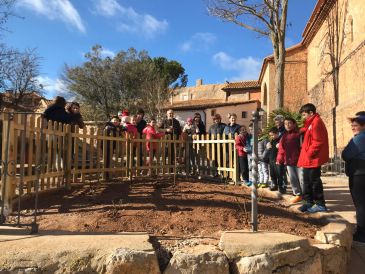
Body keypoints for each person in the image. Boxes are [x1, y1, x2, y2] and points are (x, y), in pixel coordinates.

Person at [297, 103, 329, 213]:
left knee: (314, 181)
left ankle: (320, 204)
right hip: (308, 159)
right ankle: (308, 202)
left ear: (311, 113)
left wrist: (310, 154)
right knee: (306, 182)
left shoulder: (317, 122)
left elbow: (318, 141)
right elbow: (307, 129)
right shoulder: (311, 122)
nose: (303, 117)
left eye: (304, 114)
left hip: (313, 159)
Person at [342, 112, 365, 243]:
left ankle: (362, 235)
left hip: (359, 174)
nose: (352, 127)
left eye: (355, 125)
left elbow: (346, 154)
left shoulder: (359, 138)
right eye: (352, 125)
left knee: (361, 205)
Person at [277, 117, 303, 203]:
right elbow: (281, 149)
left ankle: (306, 196)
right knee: (293, 179)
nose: (287, 125)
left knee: (302, 179)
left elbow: (303, 147)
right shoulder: (284, 136)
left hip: (300, 161)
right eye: (285, 124)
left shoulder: (299, 134)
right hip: (288, 161)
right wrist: (280, 159)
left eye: (289, 123)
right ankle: (297, 194)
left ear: (294, 124)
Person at [266, 127, 286, 193]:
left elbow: (283, 149)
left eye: (272, 135)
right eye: (270, 135)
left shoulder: (281, 139)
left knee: (280, 174)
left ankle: (281, 187)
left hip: (278, 160)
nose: (271, 136)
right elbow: (270, 148)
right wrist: (268, 146)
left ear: (277, 133)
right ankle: (274, 185)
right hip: (271, 159)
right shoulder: (272, 140)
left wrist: (280, 146)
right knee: (272, 174)